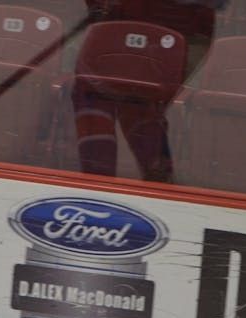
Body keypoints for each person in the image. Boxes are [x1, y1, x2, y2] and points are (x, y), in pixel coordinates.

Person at [72, 0, 223, 182]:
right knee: (91, 100)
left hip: (177, 37)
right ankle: (94, 184)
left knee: (143, 108)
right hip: (113, 35)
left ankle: (158, 183)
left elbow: (208, 15)